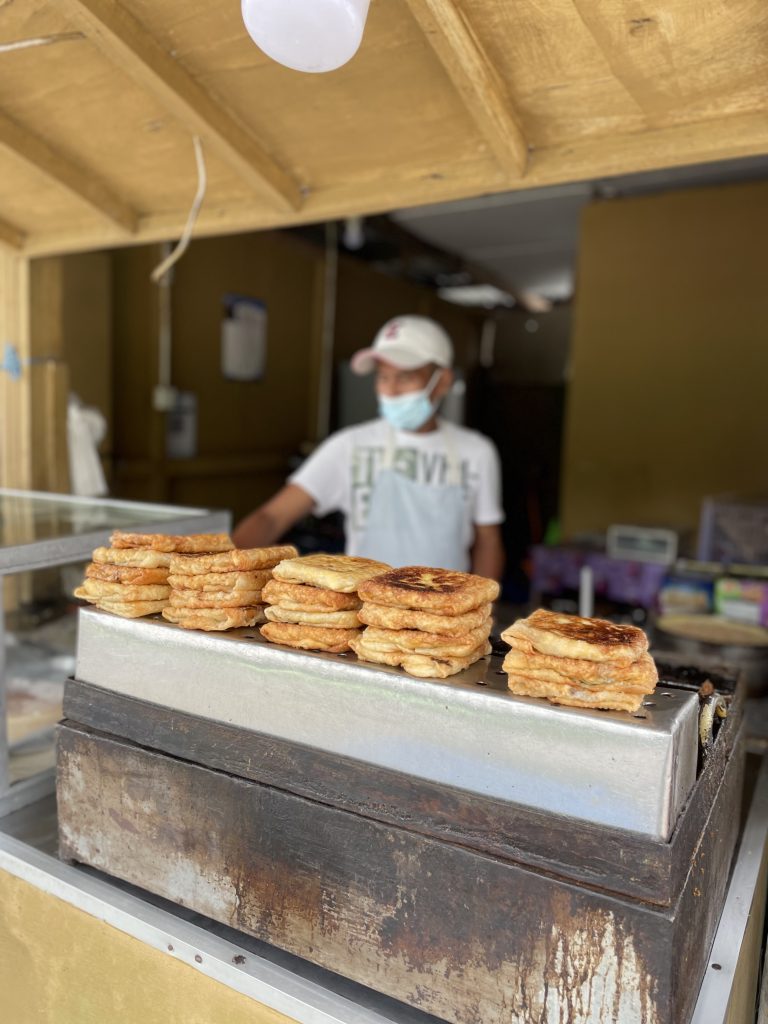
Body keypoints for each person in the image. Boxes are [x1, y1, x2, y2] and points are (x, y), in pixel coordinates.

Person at [233, 315, 505, 579]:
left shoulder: (476, 452)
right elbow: (272, 517)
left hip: (444, 605)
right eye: (383, 377)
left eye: (405, 377)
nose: (391, 390)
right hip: (365, 605)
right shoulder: (349, 446)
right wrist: (226, 570)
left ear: (442, 381)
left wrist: (484, 604)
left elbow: (488, 540)